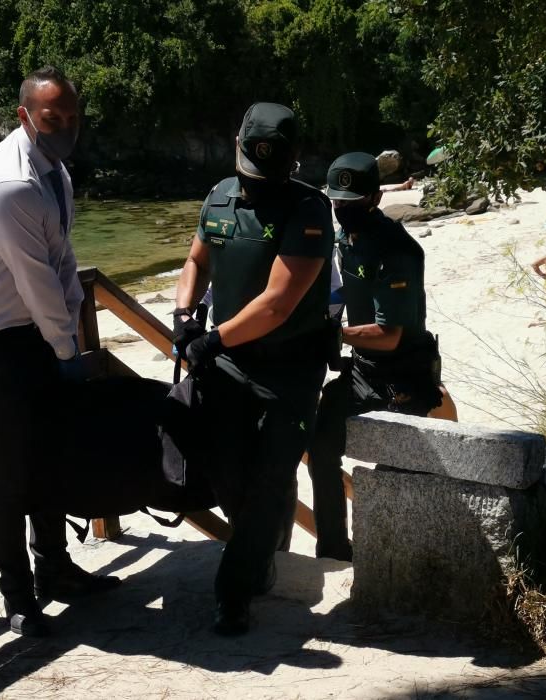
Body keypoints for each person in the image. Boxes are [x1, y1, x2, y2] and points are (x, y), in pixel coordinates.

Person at [0, 66, 119, 638]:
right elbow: (33, 278)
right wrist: (67, 347)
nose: (64, 127)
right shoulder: (8, 185)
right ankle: (18, 596)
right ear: (24, 116)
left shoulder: (54, 172)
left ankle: (57, 570)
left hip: (33, 330)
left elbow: (62, 259)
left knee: (53, 452)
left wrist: (66, 329)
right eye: (52, 118)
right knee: (9, 471)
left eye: (71, 118)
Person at [172, 102, 334, 635]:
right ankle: (260, 558)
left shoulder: (310, 210)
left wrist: (213, 337)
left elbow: (278, 303)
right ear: (236, 145)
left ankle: (232, 592)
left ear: (294, 161)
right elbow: (197, 260)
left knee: (269, 481)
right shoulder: (218, 196)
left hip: (291, 370)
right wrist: (183, 316)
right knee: (228, 474)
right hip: (230, 366)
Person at [308, 152, 444, 562]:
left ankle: (403, 556)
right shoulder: (343, 239)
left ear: (376, 197)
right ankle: (333, 546)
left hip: (404, 374)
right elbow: (342, 292)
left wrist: (333, 334)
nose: (344, 209)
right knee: (319, 444)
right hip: (363, 368)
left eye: (353, 202)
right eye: (337, 202)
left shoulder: (397, 250)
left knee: (401, 469)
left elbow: (388, 336)